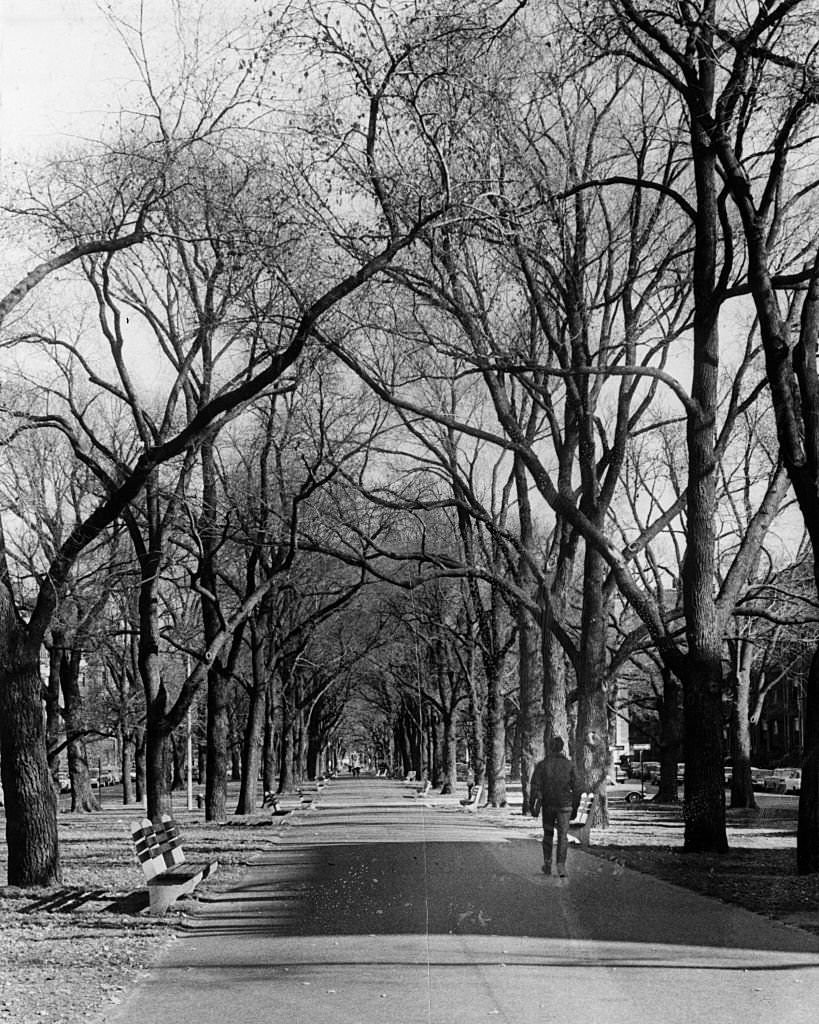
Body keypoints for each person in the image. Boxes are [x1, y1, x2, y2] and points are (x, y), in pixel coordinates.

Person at [529, 736, 579, 877]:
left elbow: (535, 786)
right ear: (562, 748)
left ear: (550, 747)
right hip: (565, 805)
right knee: (563, 836)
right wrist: (574, 807)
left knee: (548, 834)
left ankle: (547, 863)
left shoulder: (542, 765)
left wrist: (532, 805)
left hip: (548, 805)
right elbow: (577, 788)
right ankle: (561, 865)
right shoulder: (570, 765)